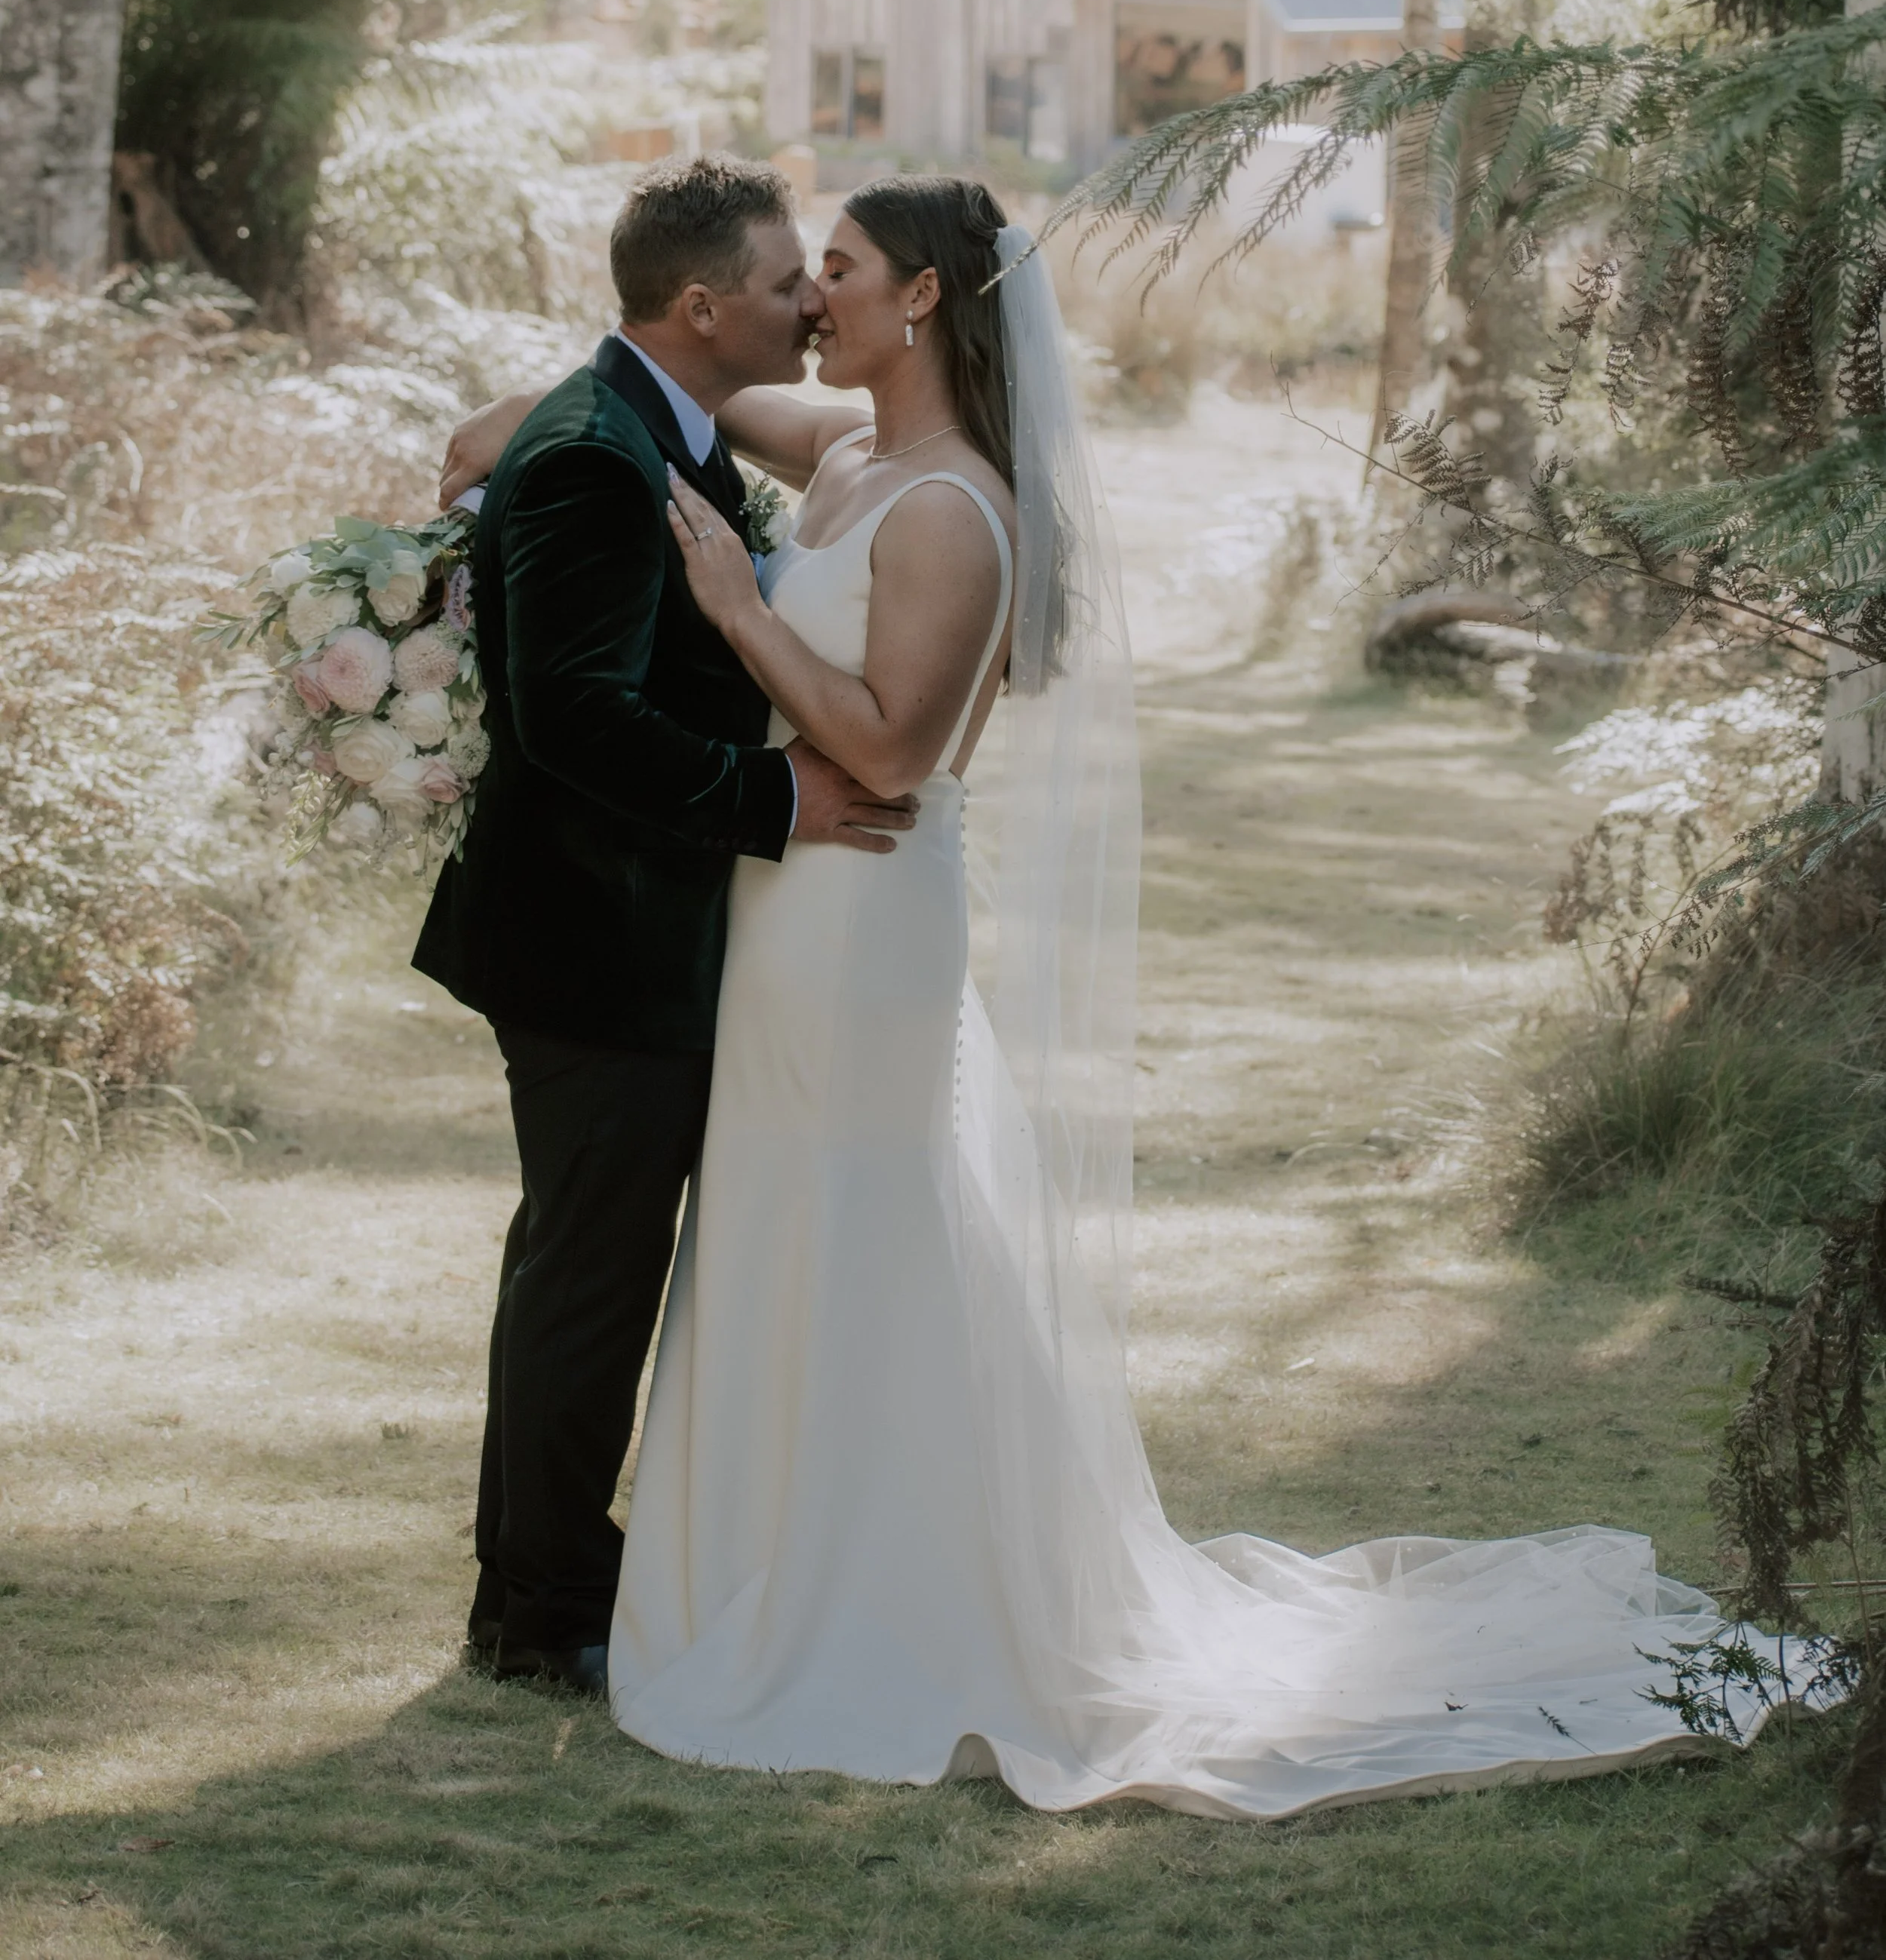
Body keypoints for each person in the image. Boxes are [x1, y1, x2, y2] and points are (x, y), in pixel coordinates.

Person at [444, 172, 1794, 1815]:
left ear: (923, 297)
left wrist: (737, 604)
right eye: (801, 276)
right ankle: (749, 1556)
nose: (815, 298)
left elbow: (884, 748)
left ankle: (874, 1587)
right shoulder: (856, 453)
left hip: (857, 910)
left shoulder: (952, 507)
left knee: (857, 1226)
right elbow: (684, 395)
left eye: (842, 271)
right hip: (780, 919)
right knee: (774, 1228)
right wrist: (536, 418)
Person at [414, 157, 916, 1694]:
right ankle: (544, 1605)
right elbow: (572, 718)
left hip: (629, 931)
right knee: (591, 1272)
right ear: (699, 307)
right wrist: (772, 803)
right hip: (591, 937)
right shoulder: (594, 455)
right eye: (783, 284)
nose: (809, 304)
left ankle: (548, 1572)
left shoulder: (660, 428)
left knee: (585, 1263)